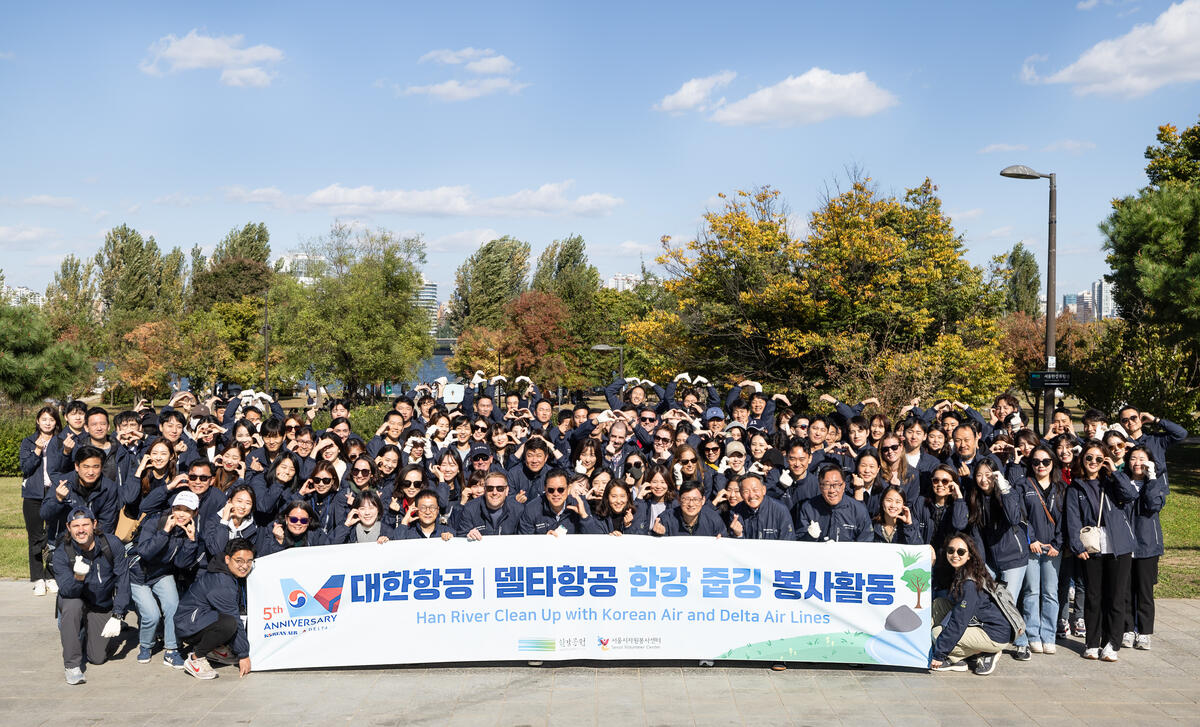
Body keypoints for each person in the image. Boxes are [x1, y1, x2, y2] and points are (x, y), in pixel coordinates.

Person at [1065, 440, 1138, 662]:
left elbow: (1130, 495)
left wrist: (1114, 470)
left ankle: (1112, 643)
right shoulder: (1076, 486)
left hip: (1118, 546)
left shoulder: (1112, 482)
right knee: (1093, 596)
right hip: (1091, 546)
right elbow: (1072, 518)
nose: (1093, 462)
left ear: (1104, 460)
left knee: (1115, 597)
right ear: (1082, 460)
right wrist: (1077, 547)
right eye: (1089, 458)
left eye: (1099, 458)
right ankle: (1092, 643)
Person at [51, 505, 131, 685]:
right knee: (72, 607)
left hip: (100, 604)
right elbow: (66, 590)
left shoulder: (112, 544)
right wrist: (78, 577)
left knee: (97, 657)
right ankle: (71, 665)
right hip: (75, 599)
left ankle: (86, 631)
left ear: (94, 524)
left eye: (85, 525)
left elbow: (123, 581)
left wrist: (118, 614)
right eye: (76, 526)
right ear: (68, 527)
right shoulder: (62, 552)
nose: (81, 530)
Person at [131, 491, 201, 668]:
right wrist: (164, 532)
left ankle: (172, 649)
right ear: (172, 509)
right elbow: (145, 552)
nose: (181, 514)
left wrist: (192, 540)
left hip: (162, 574)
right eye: (178, 509)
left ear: (195, 513)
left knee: (173, 607)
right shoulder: (155, 522)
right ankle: (146, 645)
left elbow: (181, 563)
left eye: (187, 510)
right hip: (139, 575)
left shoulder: (188, 531)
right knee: (152, 615)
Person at [930, 534, 1013, 676]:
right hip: (978, 623)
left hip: (994, 634)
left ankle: (979, 654)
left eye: (961, 552)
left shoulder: (969, 584)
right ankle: (951, 649)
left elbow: (959, 621)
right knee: (939, 603)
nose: (955, 555)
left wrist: (939, 654)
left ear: (969, 556)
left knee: (937, 634)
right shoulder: (959, 572)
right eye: (951, 550)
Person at [175, 537, 255, 680]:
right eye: (239, 561)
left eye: (249, 561)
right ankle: (196, 658)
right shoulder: (221, 582)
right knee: (229, 623)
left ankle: (216, 650)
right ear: (227, 559)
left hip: (203, 618)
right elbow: (233, 616)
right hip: (188, 624)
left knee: (229, 621)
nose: (245, 566)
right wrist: (244, 655)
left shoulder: (228, 573)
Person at [1015, 444, 1065, 655]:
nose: (1041, 465)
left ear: (1053, 463)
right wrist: (1031, 540)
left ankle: (1049, 635)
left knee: (1051, 593)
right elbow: (1020, 516)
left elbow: (1066, 519)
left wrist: (1058, 543)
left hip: (1054, 549)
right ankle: (1033, 635)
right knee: (1032, 591)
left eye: (1046, 461)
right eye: (1036, 461)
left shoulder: (1061, 488)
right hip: (1032, 548)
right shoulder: (1023, 486)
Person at [1118, 445, 1168, 651]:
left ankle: (1145, 632)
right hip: (1124, 544)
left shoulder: (1156, 482)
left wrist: (1152, 478)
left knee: (1145, 591)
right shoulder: (1121, 481)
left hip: (1147, 545)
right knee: (1126, 589)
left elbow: (1154, 504)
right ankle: (1128, 629)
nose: (1137, 463)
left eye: (1142, 459)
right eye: (1133, 458)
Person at [20, 405, 61, 596]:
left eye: (51, 419)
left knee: (53, 536)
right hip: (33, 495)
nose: (47, 423)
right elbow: (26, 468)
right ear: (38, 421)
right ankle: (38, 579)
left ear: (56, 422)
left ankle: (51, 575)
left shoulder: (61, 441)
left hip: (54, 494)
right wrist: (37, 450)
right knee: (35, 537)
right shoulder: (28, 442)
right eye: (44, 419)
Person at [794, 466, 871, 542]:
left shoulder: (858, 510)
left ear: (844, 485)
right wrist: (810, 537)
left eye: (836, 485)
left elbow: (867, 541)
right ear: (820, 486)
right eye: (826, 485)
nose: (832, 490)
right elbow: (798, 542)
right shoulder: (809, 508)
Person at [518, 469, 603, 535]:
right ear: (545, 488)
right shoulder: (532, 509)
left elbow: (595, 540)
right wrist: (543, 541)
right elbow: (525, 544)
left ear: (568, 488)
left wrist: (584, 517)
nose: (556, 494)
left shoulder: (580, 504)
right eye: (551, 490)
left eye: (561, 490)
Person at [457, 471, 524, 539]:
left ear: (506, 490)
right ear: (485, 490)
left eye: (500, 488)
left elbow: (525, 538)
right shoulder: (470, 508)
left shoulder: (518, 510)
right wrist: (468, 535)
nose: (494, 492)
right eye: (490, 488)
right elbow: (461, 536)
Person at [730, 475, 796, 540]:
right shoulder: (736, 512)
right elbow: (734, 547)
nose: (751, 495)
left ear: (764, 490)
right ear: (741, 494)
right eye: (746, 491)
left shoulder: (780, 510)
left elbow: (788, 541)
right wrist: (738, 535)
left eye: (755, 490)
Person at [652, 482, 728, 537]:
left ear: (703, 500)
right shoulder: (666, 518)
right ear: (679, 499)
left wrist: (722, 541)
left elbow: (725, 543)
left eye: (695, 499)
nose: (691, 504)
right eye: (686, 499)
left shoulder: (713, 518)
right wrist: (658, 535)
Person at [332, 490, 396, 544]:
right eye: (362, 508)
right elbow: (331, 547)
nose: (367, 513)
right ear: (356, 510)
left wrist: (386, 543)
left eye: (371, 508)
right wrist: (346, 525)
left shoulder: (387, 531)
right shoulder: (350, 530)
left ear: (378, 509)